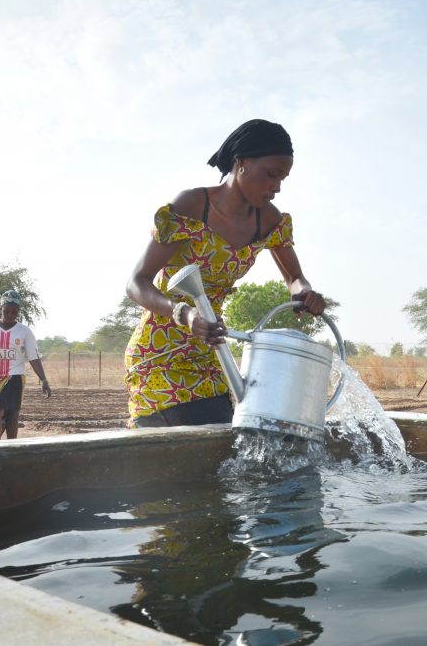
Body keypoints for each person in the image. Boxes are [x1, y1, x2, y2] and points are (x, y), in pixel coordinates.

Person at [125, 119, 326, 428]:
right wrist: (183, 313)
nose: (277, 186)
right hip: (161, 350)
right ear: (242, 163)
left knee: (221, 452)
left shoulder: (270, 221)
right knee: (193, 455)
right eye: (271, 174)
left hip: (211, 350)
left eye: (283, 178)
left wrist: (303, 293)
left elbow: (294, 279)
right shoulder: (191, 206)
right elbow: (136, 283)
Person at [0, 290, 52, 440]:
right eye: (6, 311)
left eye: (14, 312)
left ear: (18, 312)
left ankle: (11, 449)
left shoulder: (25, 332)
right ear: (0, 309)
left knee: (12, 416)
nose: (10, 315)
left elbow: (34, 358)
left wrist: (44, 380)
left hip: (15, 378)